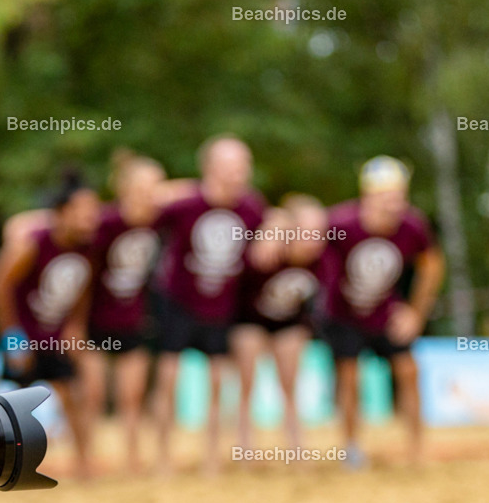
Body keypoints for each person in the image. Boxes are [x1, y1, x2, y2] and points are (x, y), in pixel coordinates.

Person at [149, 135, 267, 475]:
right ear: (211, 169)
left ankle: (212, 456)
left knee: (218, 382)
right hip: (177, 302)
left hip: (220, 306)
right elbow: (142, 213)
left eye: (244, 166)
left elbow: (273, 227)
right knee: (169, 378)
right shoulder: (184, 204)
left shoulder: (252, 207)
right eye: (233, 166)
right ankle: (162, 456)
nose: (241, 174)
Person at [318, 156, 445, 466]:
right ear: (368, 196)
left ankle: (417, 450)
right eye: (387, 196)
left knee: (408, 370)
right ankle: (352, 449)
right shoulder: (340, 224)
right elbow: (311, 255)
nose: (395, 202)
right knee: (349, 377)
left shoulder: (412, 225)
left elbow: (432, 264)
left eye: (399, 195)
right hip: (342, 314)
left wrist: (415, 312)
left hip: (386, 312)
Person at [0, 170, 102, 478]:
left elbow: (83, 287)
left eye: (94, 210)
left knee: (74, 393)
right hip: (21, 335)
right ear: (63, 214)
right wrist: (12, 338)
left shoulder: (88, 247)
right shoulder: (31, 244)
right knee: (14, 400)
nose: (92, 217)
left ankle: (84, 463)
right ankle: (7, 465)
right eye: (84, 211)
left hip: (54, 335)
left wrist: (75, 325)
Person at [77, 151, 167, 474]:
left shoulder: (160, 218)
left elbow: (194, 189)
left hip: (133, 319)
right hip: (95, 321)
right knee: (94, 395)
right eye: (145, 187)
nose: (153, 194)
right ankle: (85, 459)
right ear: (126, 190)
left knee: (133, 396)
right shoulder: (105, 221)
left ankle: (132, 458)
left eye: (158, 187)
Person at [232, 195, 328, 460]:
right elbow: (260, 213)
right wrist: (273, 225)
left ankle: (296, 448)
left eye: (319, 234)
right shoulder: (264, 250)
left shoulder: (323, 259)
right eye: (307, 234)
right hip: (250, 319)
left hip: (290, 321)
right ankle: (245, 449)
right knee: (246, 380)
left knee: (290, 381)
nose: (314, 240)